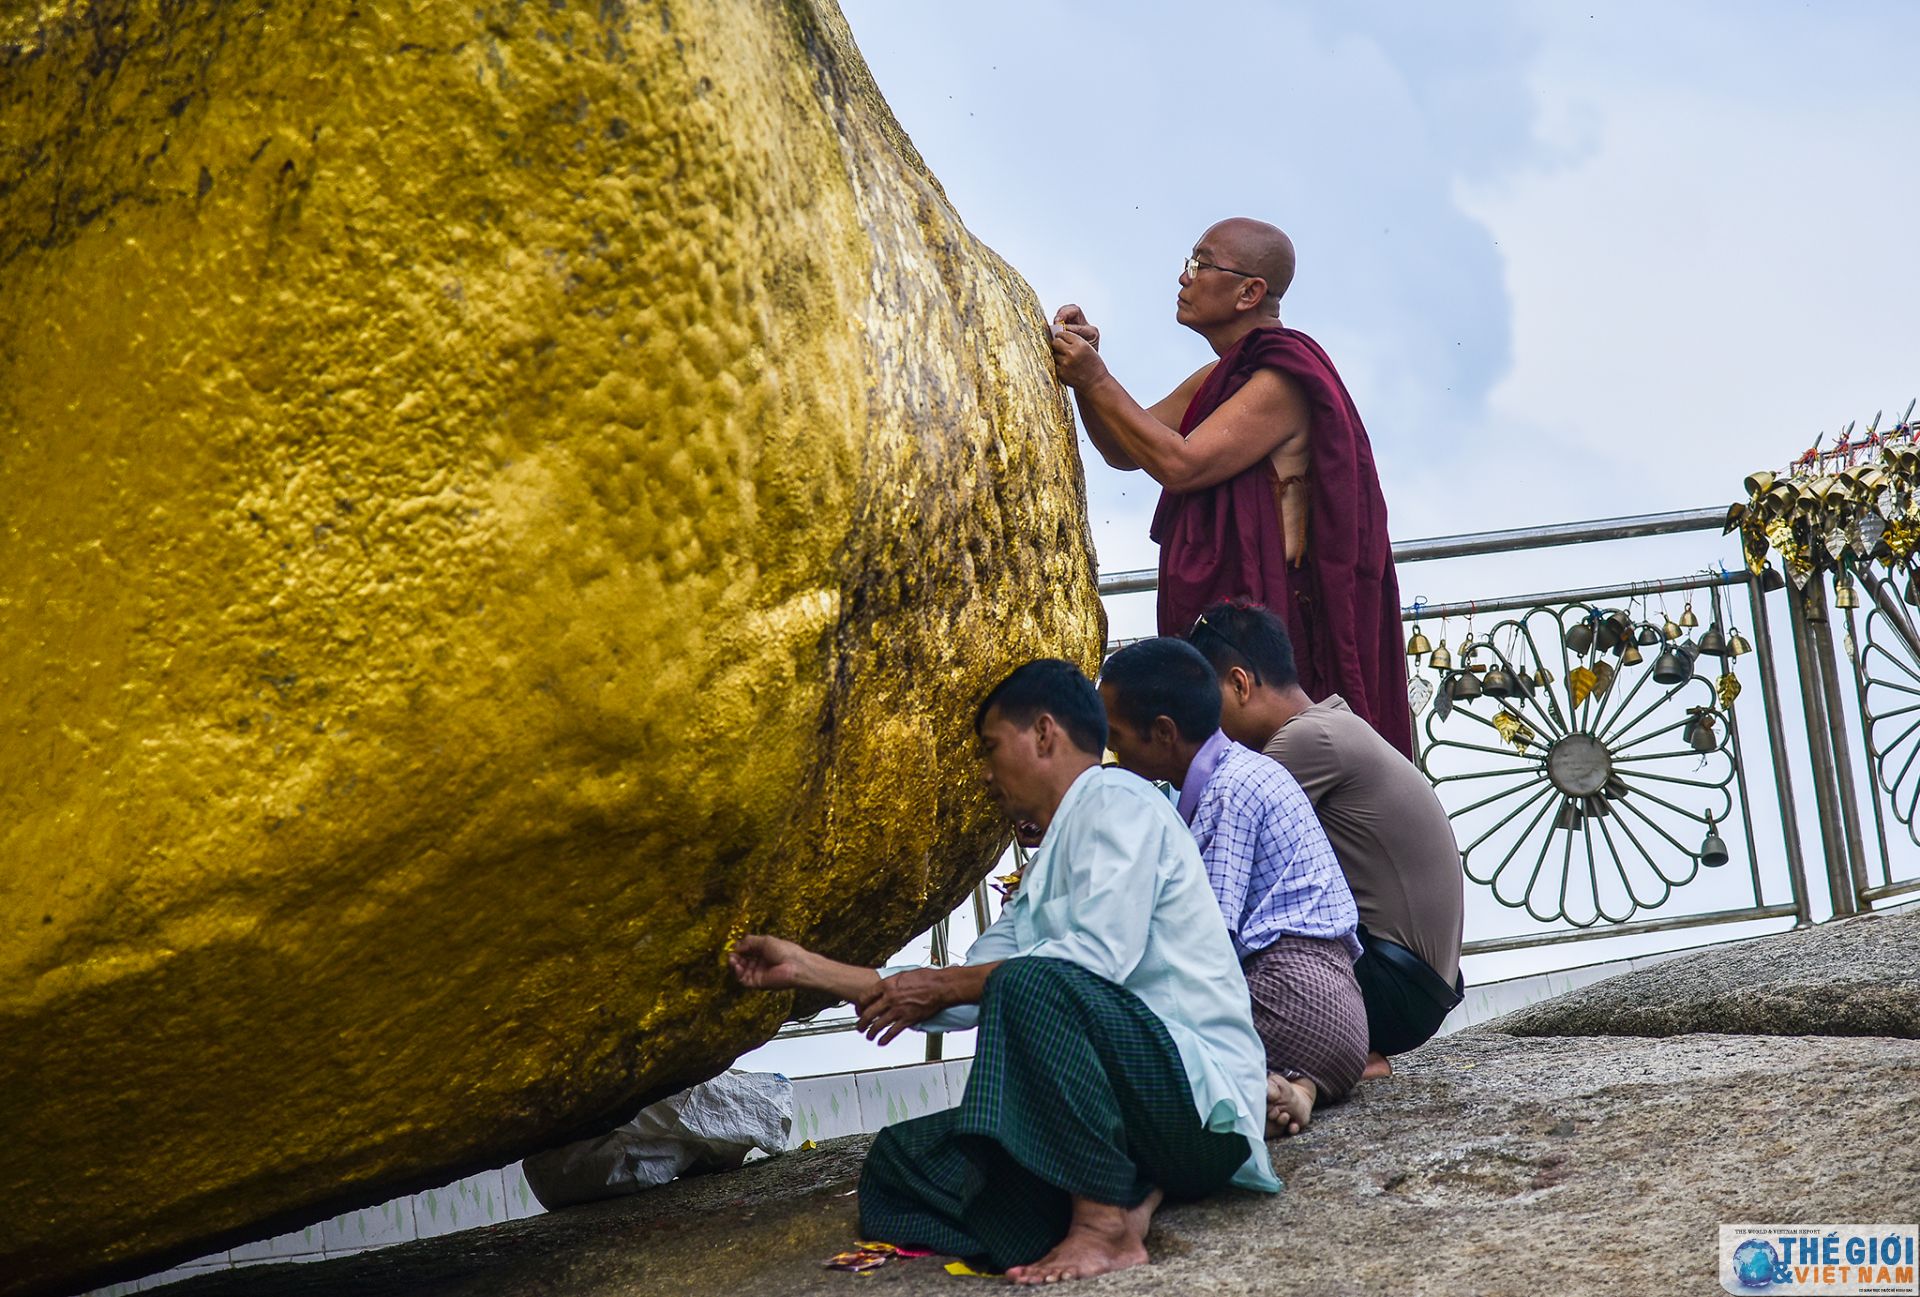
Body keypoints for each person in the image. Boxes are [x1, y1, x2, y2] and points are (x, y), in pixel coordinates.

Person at [729, 659, 1277, 1285]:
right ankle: (1122, 1193)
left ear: (1044, 733)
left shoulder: (1118, 799)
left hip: (1194, 1105)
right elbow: (968, 988)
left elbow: (1090, 962)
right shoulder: (1046, 868)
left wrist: (957, 984)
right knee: (900, 1161)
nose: (985, 774)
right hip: (1135, 1129)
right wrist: (810, 969)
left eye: (991, 749)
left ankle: (1105, 1225)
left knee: (1027, 980)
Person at [1051, 216, 1413, 758]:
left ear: (1250, 291)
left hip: (1272, 644)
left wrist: (1096, 380)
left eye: (1200, 263)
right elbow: (1124, 451)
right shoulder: (1214, 379)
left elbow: (1181, 465)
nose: (1184, 277)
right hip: (1220, 635)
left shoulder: (1282, 379)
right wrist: (1088, 378)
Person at [1096, 637, 1368, 1138]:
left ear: (1162, 733)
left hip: (1288, 1000)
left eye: (1116, 737)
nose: (1112, 752)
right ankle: (1297, 1092)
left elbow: (1208, 940)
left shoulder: (1228, 791)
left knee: (1118, 1055)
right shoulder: (1244, 771)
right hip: (1344, 1027)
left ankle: (1269, 1083)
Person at [1188, 599, 1465, 1079]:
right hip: (1417, 985)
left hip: (1391, 987)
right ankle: (1352, 1055)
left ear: (1238, 684)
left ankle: (1338, 1054)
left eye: (1207, 707)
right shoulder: (1333, 724)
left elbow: (1216, 850)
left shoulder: (1303, 743)